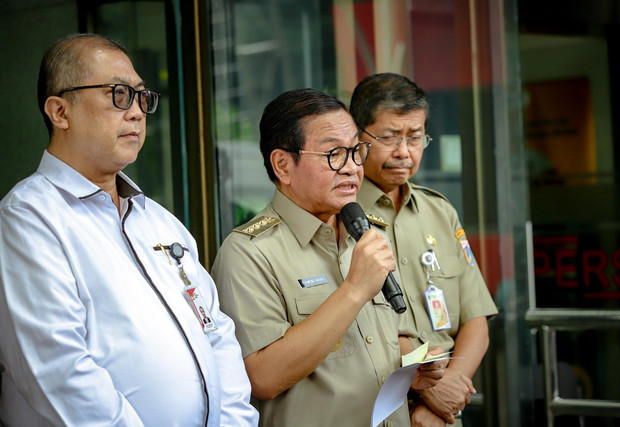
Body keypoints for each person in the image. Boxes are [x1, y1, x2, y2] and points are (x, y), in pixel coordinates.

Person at [0, 33, 258, 426]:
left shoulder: (156, 218)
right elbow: (57, 368)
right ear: (60, 112)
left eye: (142, 97)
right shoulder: (28, 217)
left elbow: (216, 332)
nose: (137, 111)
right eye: (119, 94)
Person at [211, 88, 446, 427]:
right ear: (282, 165)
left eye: (356, 151)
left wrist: (416, 367)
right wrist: (353, 290)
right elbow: (263, 377)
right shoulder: (249, 252)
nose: (352, 167)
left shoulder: (365, 232)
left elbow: (396, 334)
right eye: (334, 153)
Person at [350, 73, 498, 427]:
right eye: (388, 137)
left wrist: (445, 399)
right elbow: (356, 322)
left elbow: (475, 318)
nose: (404, 152)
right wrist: (431, 388)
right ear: (357, 138)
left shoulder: (439, 211)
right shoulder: (342, 213)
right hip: (376, 408)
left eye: (415, 138)